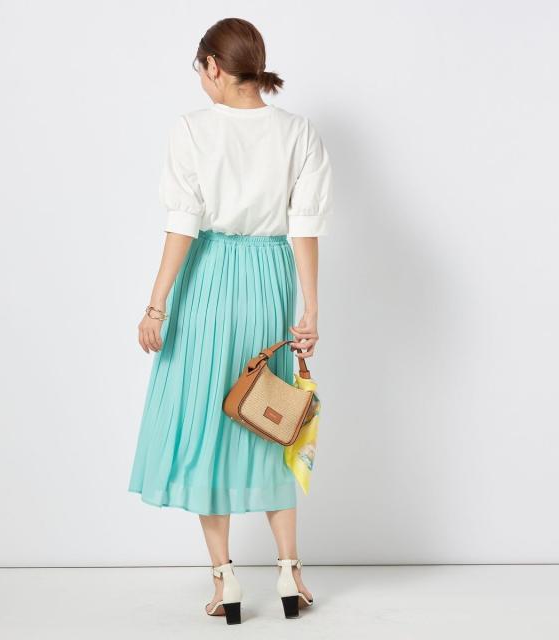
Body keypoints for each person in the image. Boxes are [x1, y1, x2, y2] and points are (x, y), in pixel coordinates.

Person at [128, 17, 333, 625]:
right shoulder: (298, 132)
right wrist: (310, 308)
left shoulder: (193, 129)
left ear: (214, 66)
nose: (201, 80)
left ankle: (226, 581)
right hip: (271, 280)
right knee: (270, 416)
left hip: (210, 278)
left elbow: (183, 225)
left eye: (200, 69)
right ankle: (291, 571)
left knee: (205, 420)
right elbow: (304, 226)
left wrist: (157, 304)